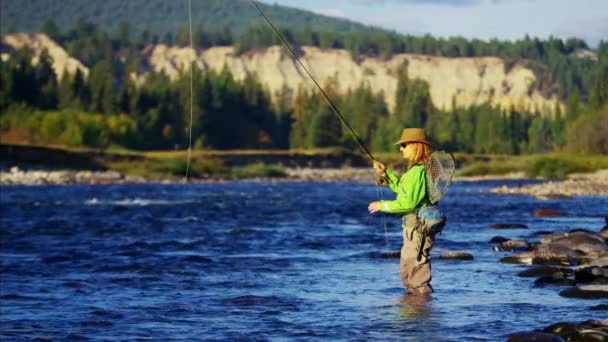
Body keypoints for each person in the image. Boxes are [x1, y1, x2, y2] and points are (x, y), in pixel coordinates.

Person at [368, 128, 439, 295]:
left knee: (417, 276)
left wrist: (382, 205)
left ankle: (421, 313)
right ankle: (412, 310)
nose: (400, 149)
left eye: (404, 145)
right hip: (412, 229)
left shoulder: (418, 172)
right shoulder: (417, 171)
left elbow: (407, 203)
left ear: (416, 146)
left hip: (418, 230)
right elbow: (401, 190)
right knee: (409, 272)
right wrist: (385, 173)